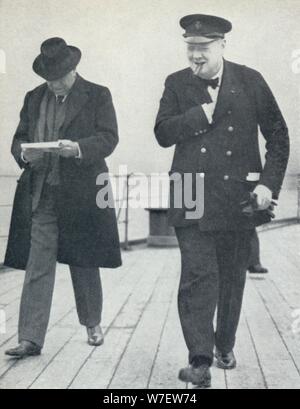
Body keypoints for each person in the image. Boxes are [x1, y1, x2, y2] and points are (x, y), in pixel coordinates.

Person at [154, 14, 289, 387]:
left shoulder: (251, 80)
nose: (195, 57)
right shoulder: (175, 83)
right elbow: (163, 133)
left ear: (222, 46)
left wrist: (268, 185)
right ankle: (199, 360)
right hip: (188, 191)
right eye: (190, 48)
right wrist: (198, 115)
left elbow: (278, 136)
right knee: (197, 276)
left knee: (231, 278)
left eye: (203, 49)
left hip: (238, 196)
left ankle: (224, 343)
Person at [4, 37, 121, 359]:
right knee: (37, 266)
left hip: (81, 196)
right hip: (41, 196)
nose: (54, 84)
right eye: (49, 79)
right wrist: (24, 155)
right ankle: (30, 338)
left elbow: (109, 138)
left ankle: (92, 324)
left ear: (72, 70)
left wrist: (79, 149)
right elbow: (19, 139)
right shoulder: (33, 97)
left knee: (84, 262)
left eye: (59, 78)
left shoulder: (98, 94)